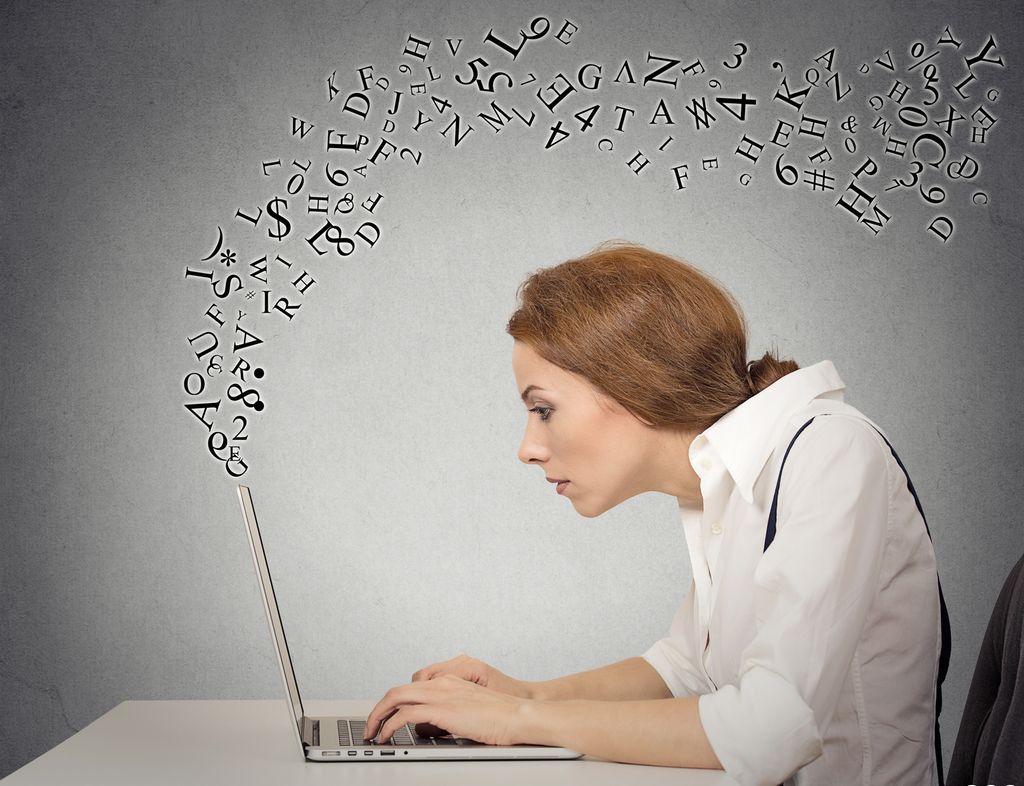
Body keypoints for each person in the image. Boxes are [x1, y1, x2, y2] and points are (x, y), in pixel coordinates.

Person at [363, 242, 943, 785]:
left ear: (633, 383)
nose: (527, 448)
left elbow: (771, 728)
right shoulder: (716, 485)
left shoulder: (830, 452)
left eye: (543, 409)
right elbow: (685, 670)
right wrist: (527, 696)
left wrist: (516, 721)